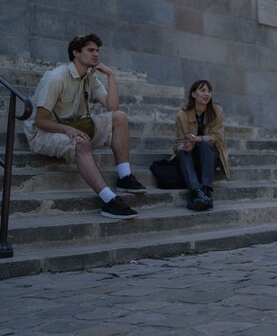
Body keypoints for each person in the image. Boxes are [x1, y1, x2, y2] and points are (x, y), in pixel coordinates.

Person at [23, 34, 146, 219]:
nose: (96, 54)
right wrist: (68, 130)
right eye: (90, 50)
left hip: (73, 126)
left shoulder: (89, 78)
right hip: (42, 134)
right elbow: (40, 120)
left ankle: (125, 176)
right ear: (75, 53)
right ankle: (109, 200)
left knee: (119, 117)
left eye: (97, 50)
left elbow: (113, 107)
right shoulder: (57, 77)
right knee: (81, 142)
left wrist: (110, 75)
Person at [174, 80, 229, 211]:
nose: (206, 94)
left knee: (205, 145)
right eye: (202, 90)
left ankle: (206, 190)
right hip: (191, 159)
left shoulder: (216, 111)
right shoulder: (181, 115)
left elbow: (218, 137)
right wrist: (185, 146)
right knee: (183, 152)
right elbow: (177, 145)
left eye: (209, 91)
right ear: (193, 94)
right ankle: (197, 193)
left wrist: (199, 139)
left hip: (210, 157)